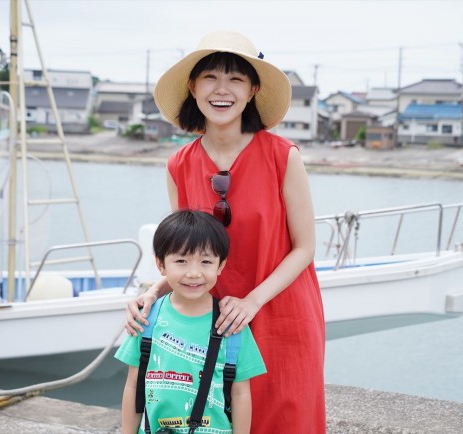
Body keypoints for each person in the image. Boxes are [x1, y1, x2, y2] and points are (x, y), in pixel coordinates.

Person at [125, 30, 326, 433]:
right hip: (209, 320)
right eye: (210, 77)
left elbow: (305, 248)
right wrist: (150, 294)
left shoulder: (282, 156)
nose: (222, 90)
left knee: (287, 418)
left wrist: (252, 302)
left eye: (235, 79)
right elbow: (185, 252)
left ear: (252, 89)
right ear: (192, 87)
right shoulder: (178, 164)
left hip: (281, 313)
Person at [115, 209, 266, 434]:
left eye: (206, 261)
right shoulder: (147, 318)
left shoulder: (230, 324)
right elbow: (133, 385)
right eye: (181, 261)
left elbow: (240, 393)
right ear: (161, 265)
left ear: (220, 265)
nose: (194, 273)